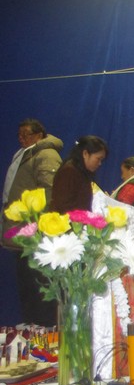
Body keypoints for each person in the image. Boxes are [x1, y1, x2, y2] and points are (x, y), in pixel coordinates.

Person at [3, 119, 63, 326]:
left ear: (39, 134)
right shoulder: (25, 154)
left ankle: (44, 331)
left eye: (26, 134)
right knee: (28, 287)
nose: (22, 138)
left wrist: (39, 226)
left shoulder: (46, 155)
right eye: (19, 135)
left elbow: (50, 191)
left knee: (38, 288)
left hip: (37, 234)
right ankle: (32, 330)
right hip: (24, 232)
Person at [50, 135, 107, 213]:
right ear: (85, 154)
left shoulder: (82, 172)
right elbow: (62, 205)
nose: (100, 163)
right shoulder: (69, 172)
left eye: (101, 160)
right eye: (98, 159)